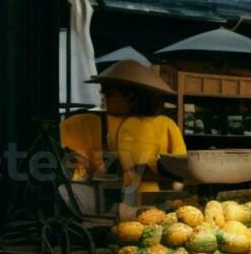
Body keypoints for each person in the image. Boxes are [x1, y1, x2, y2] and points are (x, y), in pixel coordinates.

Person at [60, 60, 185, 194]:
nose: (104, 98)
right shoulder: (86, 123)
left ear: (131, 97)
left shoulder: (165, 126)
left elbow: (181, 171)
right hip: (114, 202)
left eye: (109, 94)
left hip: (148, 202)